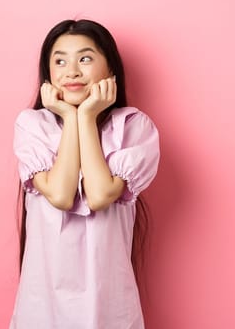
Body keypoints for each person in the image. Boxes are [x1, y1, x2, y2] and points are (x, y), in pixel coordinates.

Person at [9, 19, 160, 329]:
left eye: (86, 58)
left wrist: (86, 116)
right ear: (48, 73)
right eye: (60, 60)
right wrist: (68, 114)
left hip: (109, 303)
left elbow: (101, 194)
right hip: (43, 303)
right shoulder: (32, 125)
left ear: (110, 69)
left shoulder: (134, 127)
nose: (72, 71)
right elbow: (62, 196)